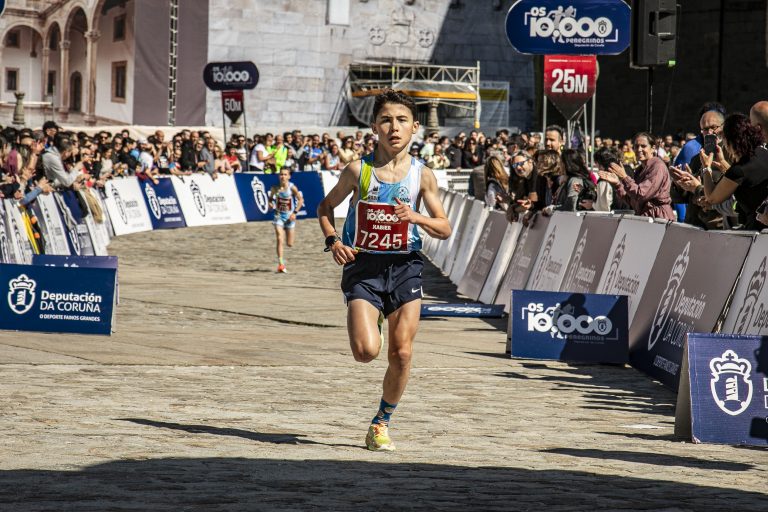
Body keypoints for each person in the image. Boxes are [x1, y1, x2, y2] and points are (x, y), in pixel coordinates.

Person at [317, 89, 451, 452]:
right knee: (365, 352)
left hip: (405, 265)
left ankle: (381, 422)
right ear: (374, 126)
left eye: (402, 120)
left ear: (415, 127)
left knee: (402, 353)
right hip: (364, 265)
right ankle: (373, 313)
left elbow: (444, 227)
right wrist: (333, 241)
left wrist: (416, 217)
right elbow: (325, 208)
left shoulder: (423, 176)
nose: (394, 127)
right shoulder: (358, 170)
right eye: (386, 120)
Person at [673, 113, 768, 230]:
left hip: (757, 229)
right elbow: (743, 181)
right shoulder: (763, 154)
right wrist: (722, 162)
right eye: (705, 129)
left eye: (714, 128)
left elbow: (712, 197)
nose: (710, 133)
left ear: (728, 141)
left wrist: (706, 168)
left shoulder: (739, 169)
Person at [599, 132, 675, 221]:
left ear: (653, 148)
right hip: (646, 218)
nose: (639, 149)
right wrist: (618, 184)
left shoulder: (657, 166)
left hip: (658, 218)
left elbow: (641, 194)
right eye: (636, 146)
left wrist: (624, 177)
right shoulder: (640, 169)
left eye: (643, 146)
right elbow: (633, 199)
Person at [269, 168, 304, 273]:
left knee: (289, 244)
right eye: (281, 174)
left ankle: (282, 260)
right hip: (278, 216)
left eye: (285, 174)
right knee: (280, 238)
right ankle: (281, 264)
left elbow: (300, 200)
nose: (283, 176)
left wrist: (295, 213)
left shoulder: (292, 188)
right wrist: (270, 203)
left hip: (289, 218)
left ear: (289, 176)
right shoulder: (275, 188)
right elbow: (270, 198)